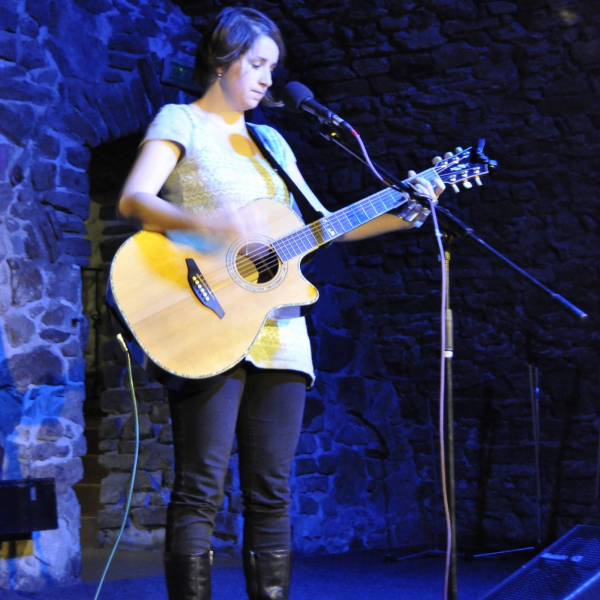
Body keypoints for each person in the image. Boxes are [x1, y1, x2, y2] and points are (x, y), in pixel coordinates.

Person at [117, 7, 444, 600]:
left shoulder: (272, 143)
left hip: (282, 335)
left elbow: (325, 226)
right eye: (258, 63)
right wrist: (210, 226)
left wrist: (407, 212)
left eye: (273, 66)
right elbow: (135, 200)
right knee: (200, 488)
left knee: (272, 492)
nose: (269, 78)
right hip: (205, 317)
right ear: (222, 61)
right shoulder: (181, 121)